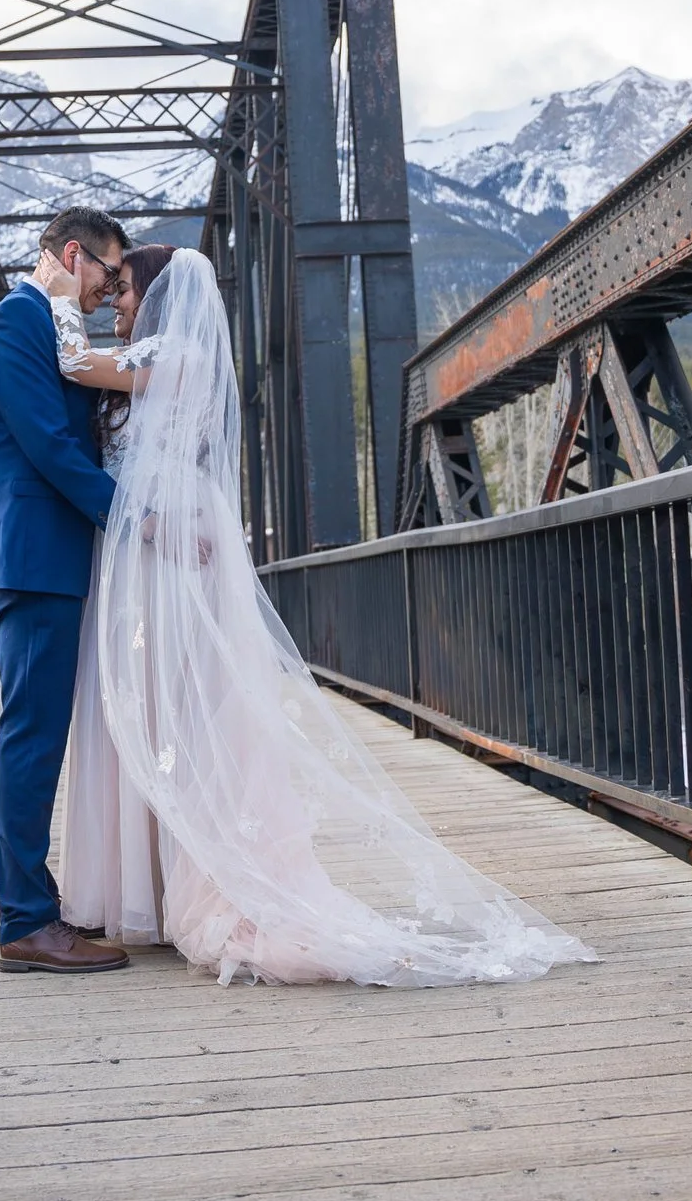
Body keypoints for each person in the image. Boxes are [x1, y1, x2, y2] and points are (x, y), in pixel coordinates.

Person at [54, 246, 595, 987]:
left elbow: (79, 368)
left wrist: (50, 301)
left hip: (174, 534)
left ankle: (202, 881)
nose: (112, 302)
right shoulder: (153, 354)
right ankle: (144, 882)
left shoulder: (175, 354)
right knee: (154, 704)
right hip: (150, 539)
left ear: (154, 296)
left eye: (121, 291)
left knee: (186, 701)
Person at [0, 206, 135, 973]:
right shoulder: (19, 323)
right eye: (108, 272)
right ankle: (26, 922)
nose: (109, 290)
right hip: (32, 552)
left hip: (44, 552)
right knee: (32, 737)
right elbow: (47, 444)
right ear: (74, 253)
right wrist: (134, 515)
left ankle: (37, 911)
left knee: (38, 733)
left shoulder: (41, 323)